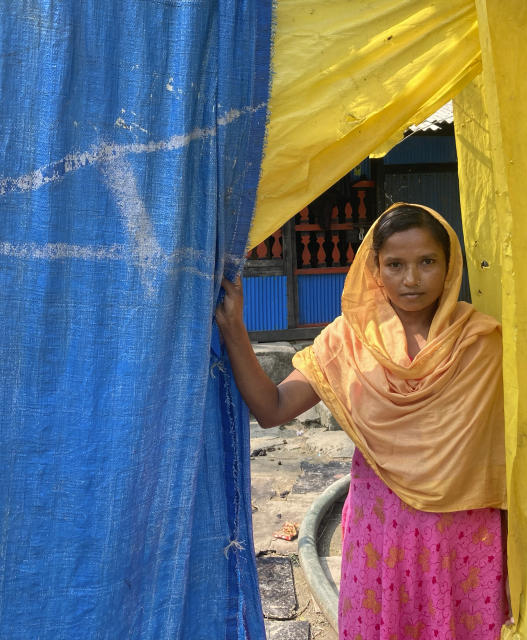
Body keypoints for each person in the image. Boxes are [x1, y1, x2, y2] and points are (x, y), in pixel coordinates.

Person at [216, 203, 509, 639]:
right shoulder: (347, 341)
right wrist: (236, 330)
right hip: (381, 534)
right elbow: (273, 408)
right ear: (375, 270)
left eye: (427, 262)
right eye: (395, 264)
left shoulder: (483, 342)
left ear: (450, 267)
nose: (411, 279)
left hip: (463, 538)